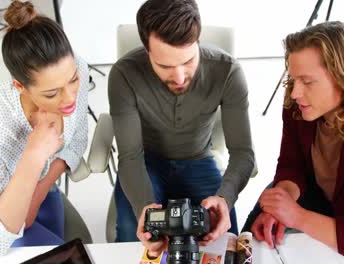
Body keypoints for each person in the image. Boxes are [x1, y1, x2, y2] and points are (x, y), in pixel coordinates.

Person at [242, 21, 344, 264]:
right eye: (293, 80)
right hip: (316, 197)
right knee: (249, 239)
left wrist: (297, 217)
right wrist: (283, 199)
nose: (294, 93)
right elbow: (292, 163)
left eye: (307, 81)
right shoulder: (298, 104)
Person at [108, 0, 255, 256]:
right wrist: (145, 206)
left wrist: (225, 198)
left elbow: (243, 153)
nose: (179, 77)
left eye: (188, 61)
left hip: (199, 158)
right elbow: (130, 156)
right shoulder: (123, 74)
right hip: (146, 161)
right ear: (147, 50)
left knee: (223, 241)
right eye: (165, 66)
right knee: (136, 238)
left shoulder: (228, 71)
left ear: (198, 40)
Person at [0, 0, 89, 256]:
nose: (70, 97)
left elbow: (78, 139)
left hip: (43, 192)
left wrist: (39, 192)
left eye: (73, 81)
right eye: (51, 94)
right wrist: (34, 154)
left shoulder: (76, 67)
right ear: (19, 86)